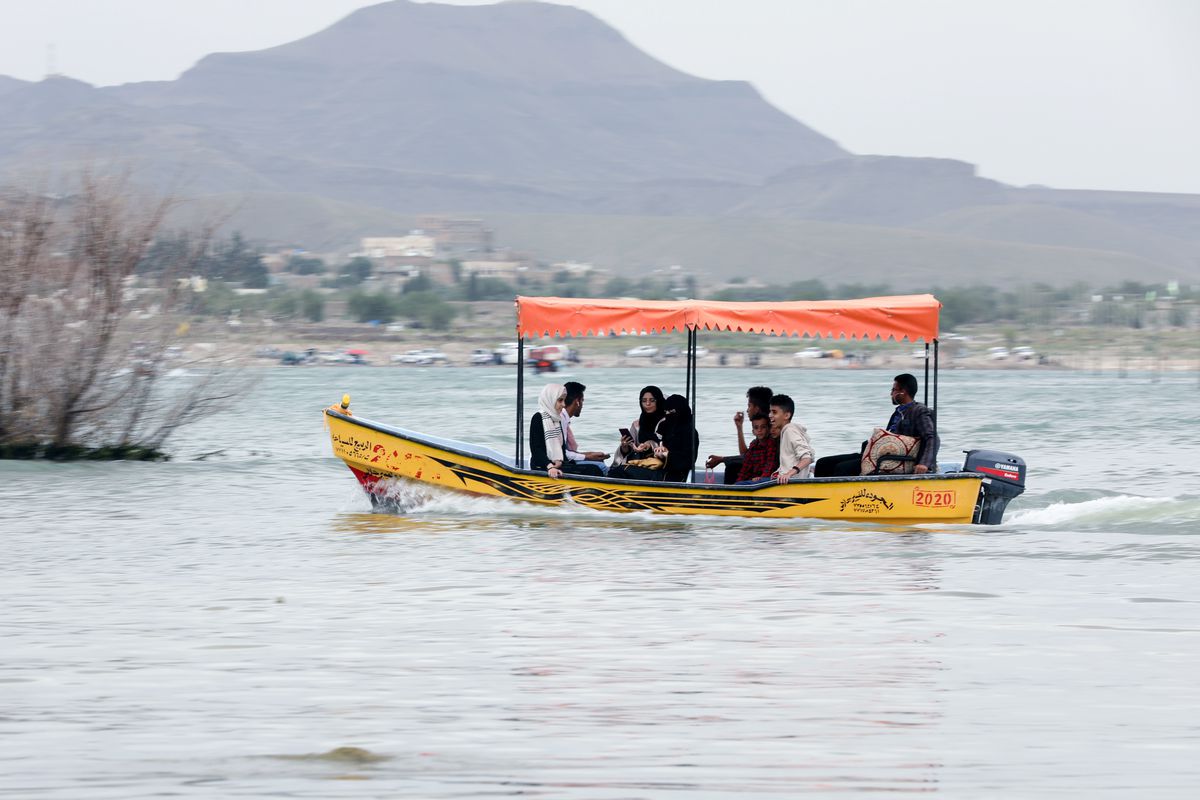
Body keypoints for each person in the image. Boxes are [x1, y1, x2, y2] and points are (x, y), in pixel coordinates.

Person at [814, 373, 940, 477]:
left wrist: (924, 463)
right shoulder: (899, 411)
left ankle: (838, 501)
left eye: (894, 390)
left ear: (903, 392)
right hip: (878, 455)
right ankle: (813, 498)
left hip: (894, 460)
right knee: (823, 463)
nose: (891, 393)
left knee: (842, 468)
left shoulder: (919, 411)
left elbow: (932, 437)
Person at [528, 383, 603, 478]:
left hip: (558, 464)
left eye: (564, 400)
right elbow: (536, 449)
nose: (563, 405)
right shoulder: (538, 417)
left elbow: (562, 448)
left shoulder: (556, 419)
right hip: (542, 466)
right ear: (550, 399)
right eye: (560, 400)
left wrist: (559, 461)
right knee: (593, 470)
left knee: (594, 468)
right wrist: (550, 467)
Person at [705, 385, 773, 485]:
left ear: (757, 409)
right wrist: (739, 427)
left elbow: (747, 457)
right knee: (734, 466)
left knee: (732, 467)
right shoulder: (759, 435)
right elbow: (746, 454)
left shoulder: (770, 430)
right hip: (758, 472)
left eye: (749, 406)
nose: (747, 410)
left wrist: (722, 459)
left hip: (764, 476)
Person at [561, 381, 610, 475]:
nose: (582, 405)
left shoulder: (564, 418)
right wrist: (587, 456)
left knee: (599, 462)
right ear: (577, 401)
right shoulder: (561, 419)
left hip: (563, 460)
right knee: (601, 467)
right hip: (559, 464)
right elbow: (562, 454)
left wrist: (589, 454)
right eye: (582, 400)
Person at [611, 385, 666, 467]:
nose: (647, 404)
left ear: (659, 401)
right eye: (644, 401)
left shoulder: (667, 422)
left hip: (659, 466)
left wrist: (650, 444)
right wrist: (624, 447)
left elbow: (669, 447)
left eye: (652, 400)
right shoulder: (637, 425)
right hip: (638, 464)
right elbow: (629, 451)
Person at [768, 393, 814, 484]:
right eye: (770, 412)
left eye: (774, 412)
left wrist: (788, 474)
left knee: (741, 485)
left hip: (789, 484)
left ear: (786, 416)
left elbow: (807, 458)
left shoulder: (789, 431)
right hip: (782, 481)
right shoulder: (786, 431)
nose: (770, 415)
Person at [733, 413, 779, 485]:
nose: (759, 430)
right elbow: (746, 468)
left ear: (768, 429)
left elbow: (770, 465)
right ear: (753, 431)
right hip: (755, 480)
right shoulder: (753, 445)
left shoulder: (771, 443)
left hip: (768, 480)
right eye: (756, 427)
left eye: (763, 427)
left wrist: (761, 478)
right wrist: (737, 483)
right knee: (737, 482)